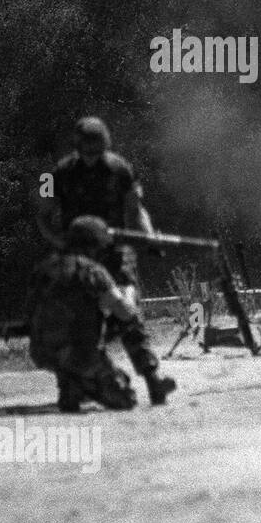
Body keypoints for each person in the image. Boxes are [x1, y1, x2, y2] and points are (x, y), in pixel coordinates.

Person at [35, 116, 175, 404]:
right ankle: (71, 385)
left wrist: (148, 236)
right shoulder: (57, 174)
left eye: (96, 151)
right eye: (86, 151)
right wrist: (58, 241)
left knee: (127, 307)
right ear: (77, 147)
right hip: (78, 254)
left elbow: (136, 210)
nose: (91, 157)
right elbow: (43, 214)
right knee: (73, 312)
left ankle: (152, 378)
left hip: (114, 250)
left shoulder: (120, 169)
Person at [27, 217, 175, 412]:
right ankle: (81, 385)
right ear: (94, 246)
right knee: (126, 398)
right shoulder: (91, 271)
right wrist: (128, 290)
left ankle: (69, 384)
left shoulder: (42, 269)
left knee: (68, 344)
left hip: (40, 353)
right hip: (79, 355)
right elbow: (125, 312)